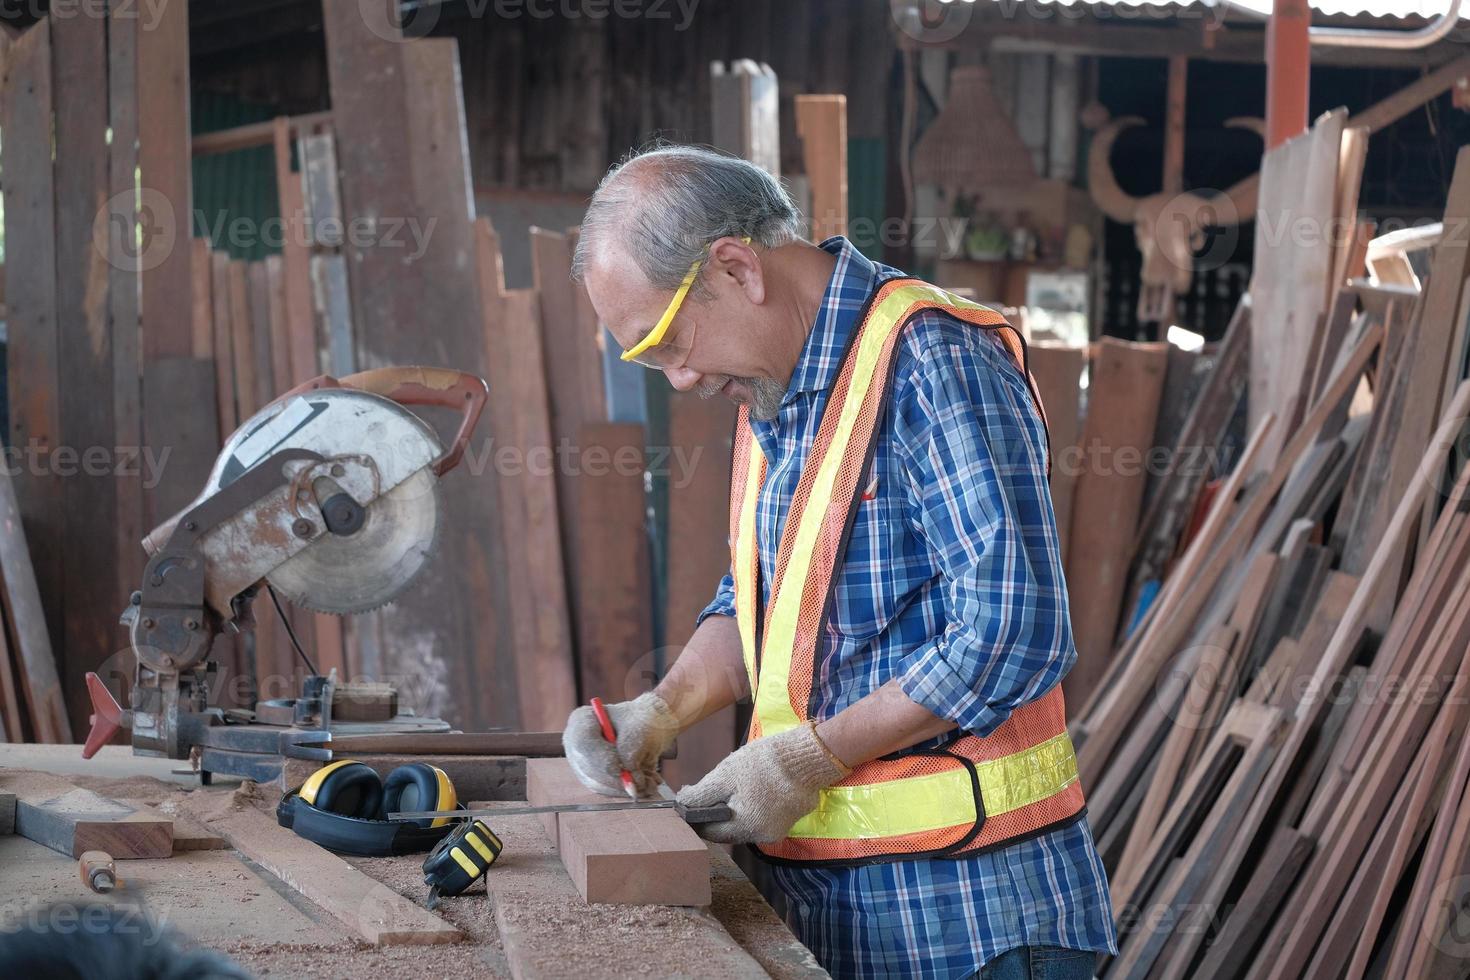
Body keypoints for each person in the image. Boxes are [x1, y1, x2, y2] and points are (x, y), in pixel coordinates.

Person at [562, 144, 1117, 979]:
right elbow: (765, 600)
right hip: (825, 907)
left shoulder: (932, 357)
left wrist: (806, 757)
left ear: (737, 267)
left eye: (667, 341)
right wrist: (663, 709)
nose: (676, 378)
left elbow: (1014, 632)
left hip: (967, 917)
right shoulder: (772, 387)